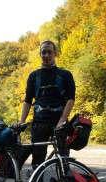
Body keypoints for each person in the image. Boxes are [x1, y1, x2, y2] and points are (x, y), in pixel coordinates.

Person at [18, 40, 76, 170]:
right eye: (43, 52)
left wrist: (62, 120)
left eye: (49, 52)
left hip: (59, 124)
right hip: (39, 123)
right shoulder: (34, 76)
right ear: (40, 54)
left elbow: (71, 99)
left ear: (55, 53)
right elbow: (27, 100)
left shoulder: (65, 75)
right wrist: (22, 121)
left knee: (63, 162)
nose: (46, 55)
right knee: (38, 164)